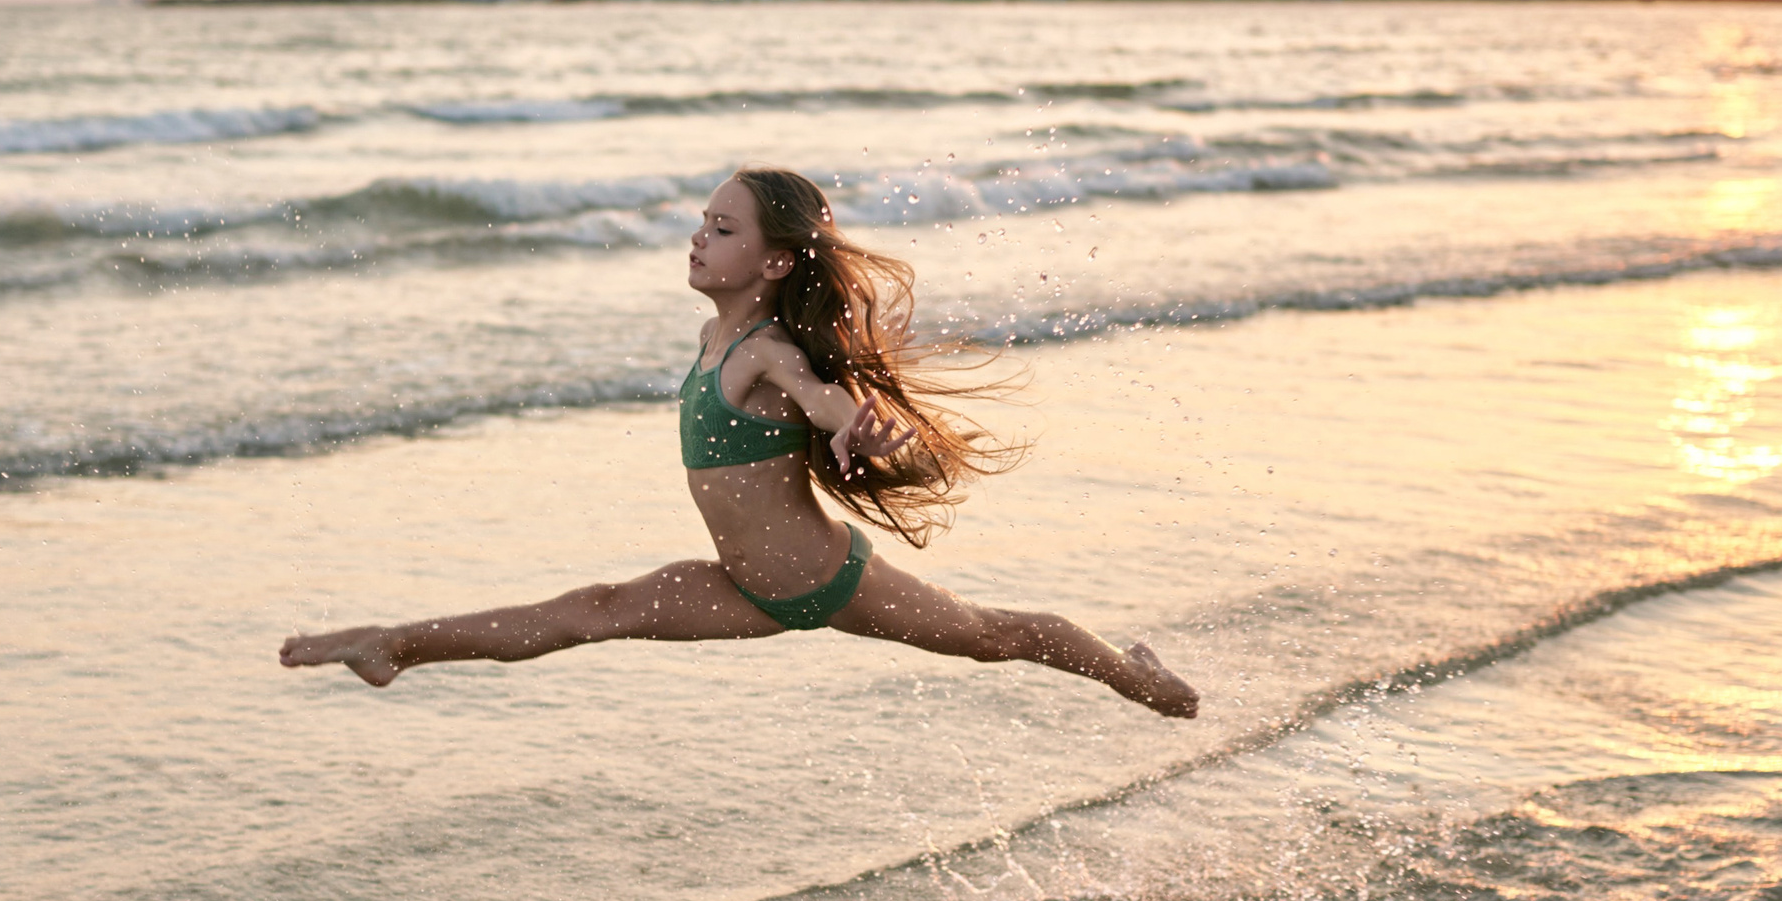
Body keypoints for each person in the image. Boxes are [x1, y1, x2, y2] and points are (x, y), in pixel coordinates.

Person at [279, 166, 1200, 717]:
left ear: (773, 260)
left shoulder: (765, 350)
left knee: (996, 636)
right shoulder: (712, 335)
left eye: (721, 229)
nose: (698, 238)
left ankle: (1142, 680)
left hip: (819, 580)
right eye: (701, 222)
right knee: (586, 611)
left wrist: (861, 429)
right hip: (742, 583)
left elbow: (823, 399)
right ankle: (392, 644)